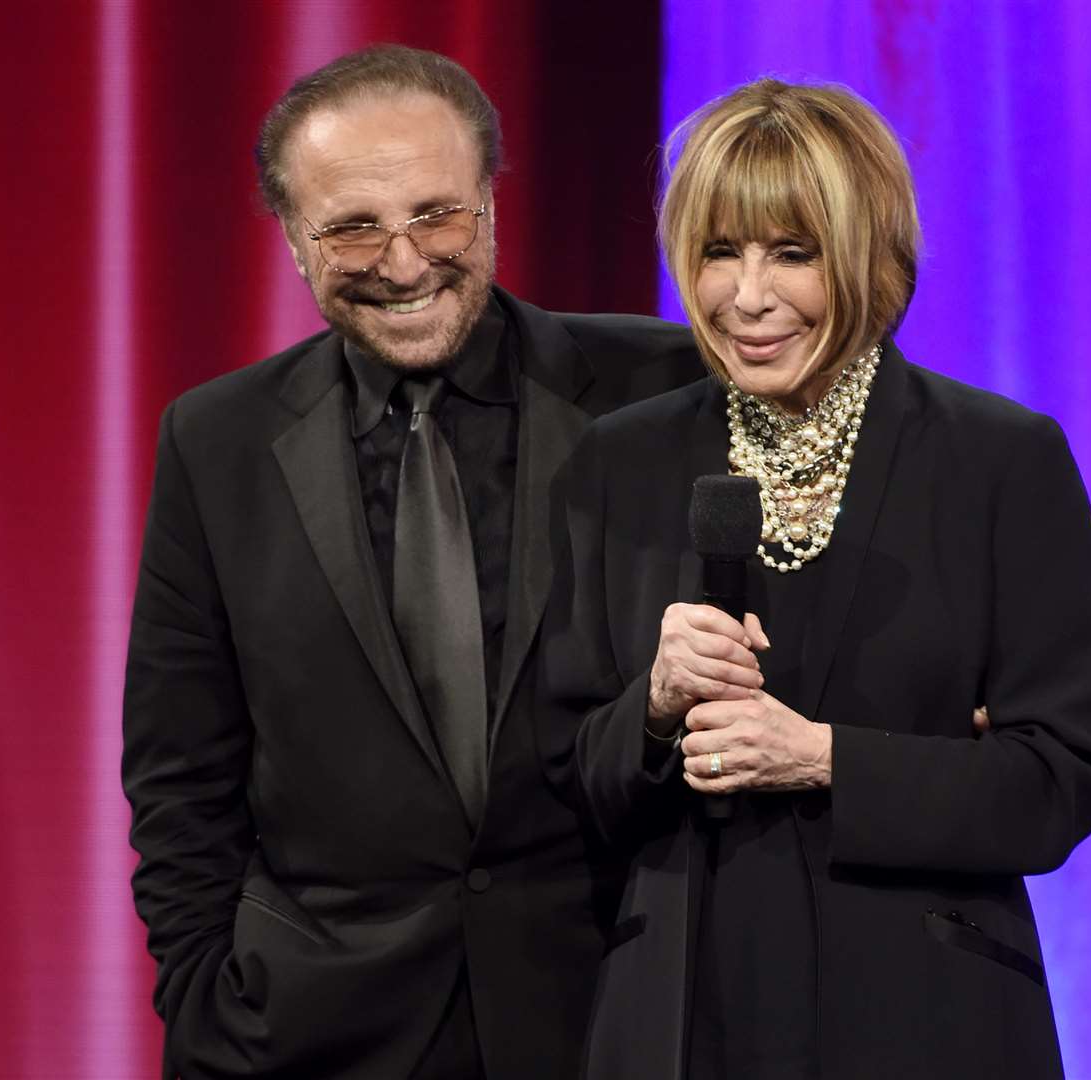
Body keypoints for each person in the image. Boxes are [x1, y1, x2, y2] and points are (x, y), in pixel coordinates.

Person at [121, 45, 698, 1080]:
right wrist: (206, 998)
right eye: (351, 226)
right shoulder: (214, 442)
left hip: (613, 1008)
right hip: (313, 1033)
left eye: (437, 215)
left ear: (490, 204)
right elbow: (179, 774)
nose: (402, 261)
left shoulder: (656, 387)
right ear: (295, 242)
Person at [538, 78, 1091, 1079]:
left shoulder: (997, 461)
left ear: (865, 254)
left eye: (791, 253)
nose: (747, 296)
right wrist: (651, 706)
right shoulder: (616, 461)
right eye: (720, 251)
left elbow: (1059, 780)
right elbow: (560, 781)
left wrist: (821, 757)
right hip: (681, 1017)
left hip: (922, 1011)